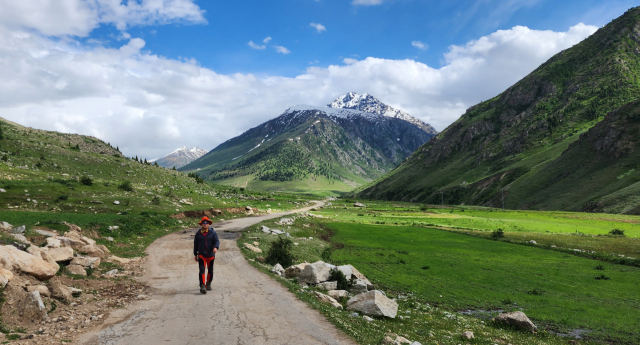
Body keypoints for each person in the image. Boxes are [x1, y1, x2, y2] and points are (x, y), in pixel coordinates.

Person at [193, 216, 220, 294]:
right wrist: (195, 254)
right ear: (201, 224)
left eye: (207, 223)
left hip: (211, 255)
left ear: (209, 224)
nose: (205, 224)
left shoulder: (213, 233)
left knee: (210, 270)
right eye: (204, 223)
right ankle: (202, 285)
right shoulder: (198, 234)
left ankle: (208, 283)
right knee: (202, 271)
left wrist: (215, 247)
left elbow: (217, 241)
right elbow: (195, 244)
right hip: (201, 255)